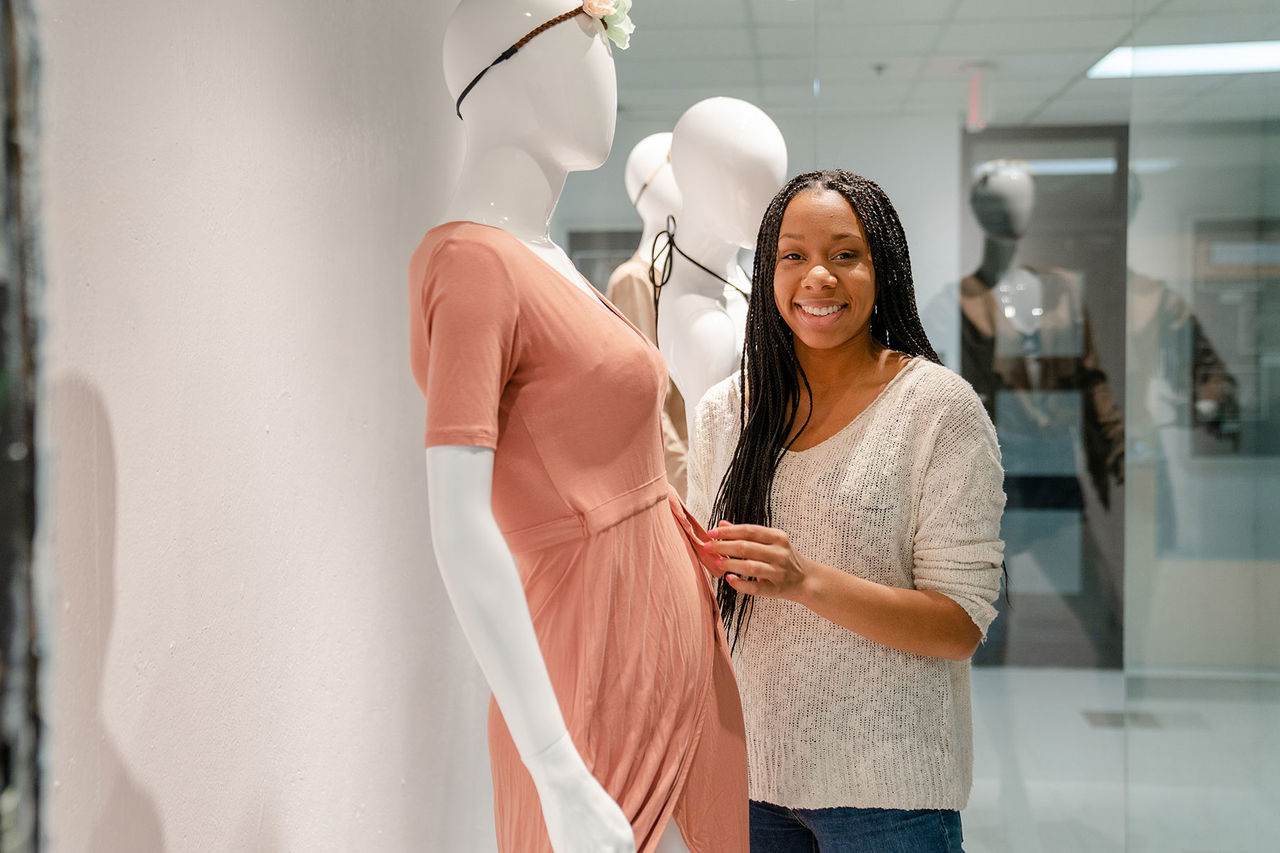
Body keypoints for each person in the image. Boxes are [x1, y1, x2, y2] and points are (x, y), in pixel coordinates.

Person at [412, 2, 748, 852]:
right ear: (508, 65)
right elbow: (458, 525)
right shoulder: (475, 263)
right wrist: (555, 765)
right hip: (591, 673)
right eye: (592, 39)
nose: (609, 66)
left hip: (671, 645)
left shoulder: (543, 257)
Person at [688, 169, 1005, 852]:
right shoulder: (725, 415)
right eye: (793, 255)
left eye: (844, 254)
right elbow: (699, 599)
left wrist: (805, 581)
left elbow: (959, 624)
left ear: (881, 268)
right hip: (747, 780)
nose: (818, 277)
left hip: (889, 796)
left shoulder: (939, 412)